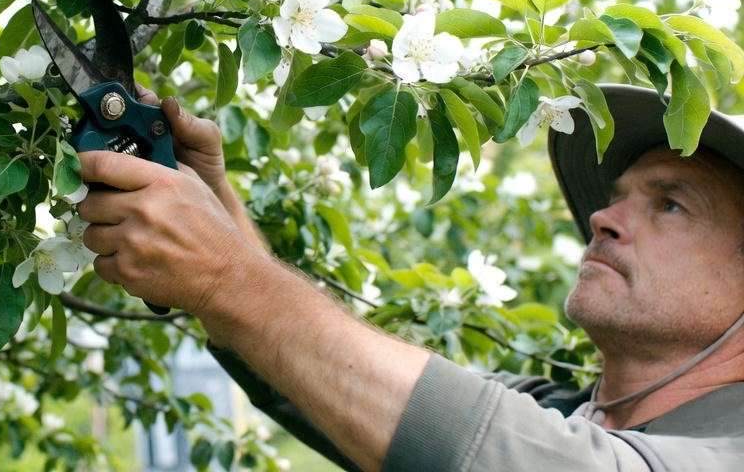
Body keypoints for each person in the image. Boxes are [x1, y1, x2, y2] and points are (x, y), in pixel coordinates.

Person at [76, 84, 744, 471]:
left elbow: (500, 450)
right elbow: (333, 381)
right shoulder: (568, 412)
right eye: (620, 194)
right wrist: (213, 210)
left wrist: (228, 272)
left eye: (671, 204)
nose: (604, 217)